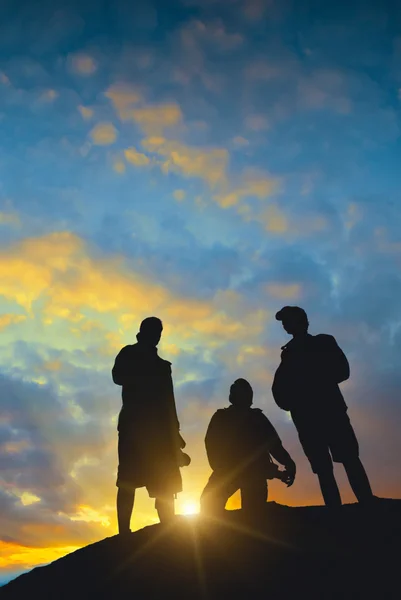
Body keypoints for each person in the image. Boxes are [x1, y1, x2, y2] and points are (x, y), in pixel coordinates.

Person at [272, 306, 374, 507]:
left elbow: (342, 371)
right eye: (284, 322)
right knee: (322, 467)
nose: (285, 325)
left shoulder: (323, 342)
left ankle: (367, 502)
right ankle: (334, 510)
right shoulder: (288, 353)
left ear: (301, 321)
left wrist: (310, 383)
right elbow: (280, 388)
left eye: (288, 320)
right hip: (306, 418)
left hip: (330, 411)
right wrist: (291, 403)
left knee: (349, 458)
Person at [112, 317, 188, 533]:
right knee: (127, 479)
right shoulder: (129, 353)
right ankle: (123, 533)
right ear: (143, 331)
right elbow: (117, 376)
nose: (158, 334)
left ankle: (168, 529)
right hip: (134, 428)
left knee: (165, 482)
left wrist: (175, 434)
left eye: (160, 331)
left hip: (161, 434)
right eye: (154, 330)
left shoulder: (163, 366)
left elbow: (169, 401)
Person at [200, 378, 296, 515]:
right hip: (231, 472)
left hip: (248, 474)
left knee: (252, 514)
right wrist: (288, 464)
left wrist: (288, 463)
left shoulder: (255, 418)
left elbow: (274, 445)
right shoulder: (222, 417)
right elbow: (210, 443)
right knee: (209, 504)